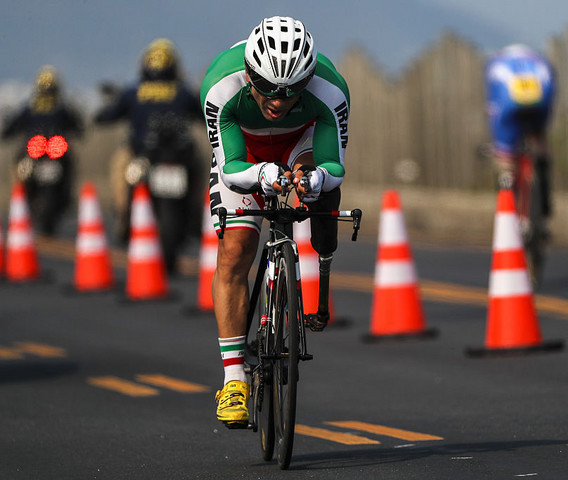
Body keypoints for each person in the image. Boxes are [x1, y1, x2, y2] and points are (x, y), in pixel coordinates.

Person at [200, 16, 350, 428]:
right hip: (244, 152)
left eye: (290, 91)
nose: (277, 101)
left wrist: (316, 178)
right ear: (249, 74)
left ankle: (292, 286)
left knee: (311, 183)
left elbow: (334, 163)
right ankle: (233, 379)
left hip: (300, 142)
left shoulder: (330, 89)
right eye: (266, 88)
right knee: (235, 248)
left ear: (308, 80)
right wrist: (261, 174)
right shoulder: (220, 88)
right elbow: (230, 169)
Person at [94, 38, 204, 253]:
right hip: (179, 156)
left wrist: (102, 113)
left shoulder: (133, 92)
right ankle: (196, 218)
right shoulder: (183, 92)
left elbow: (108, 115)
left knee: (120, 167)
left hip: (141, 155)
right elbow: (204, 115)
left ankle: (123, 216)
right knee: (200, 168)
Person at [2, 65, 84, 234]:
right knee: (22, 171)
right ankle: (21, 197)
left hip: (43, 150)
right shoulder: (61, 107)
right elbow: (77, 127)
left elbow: (11, 127)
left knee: (20, 170)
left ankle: (18, 200)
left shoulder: (31, 107)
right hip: (46, 151)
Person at [485, 44, 555, 225]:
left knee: (506, 159)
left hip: (509, 106)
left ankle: (508, 195)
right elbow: (552, 91)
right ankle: (545, 199)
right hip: (540, 103)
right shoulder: (539, 61)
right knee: (539, 143)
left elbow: (493, 104)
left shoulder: (497, 63)